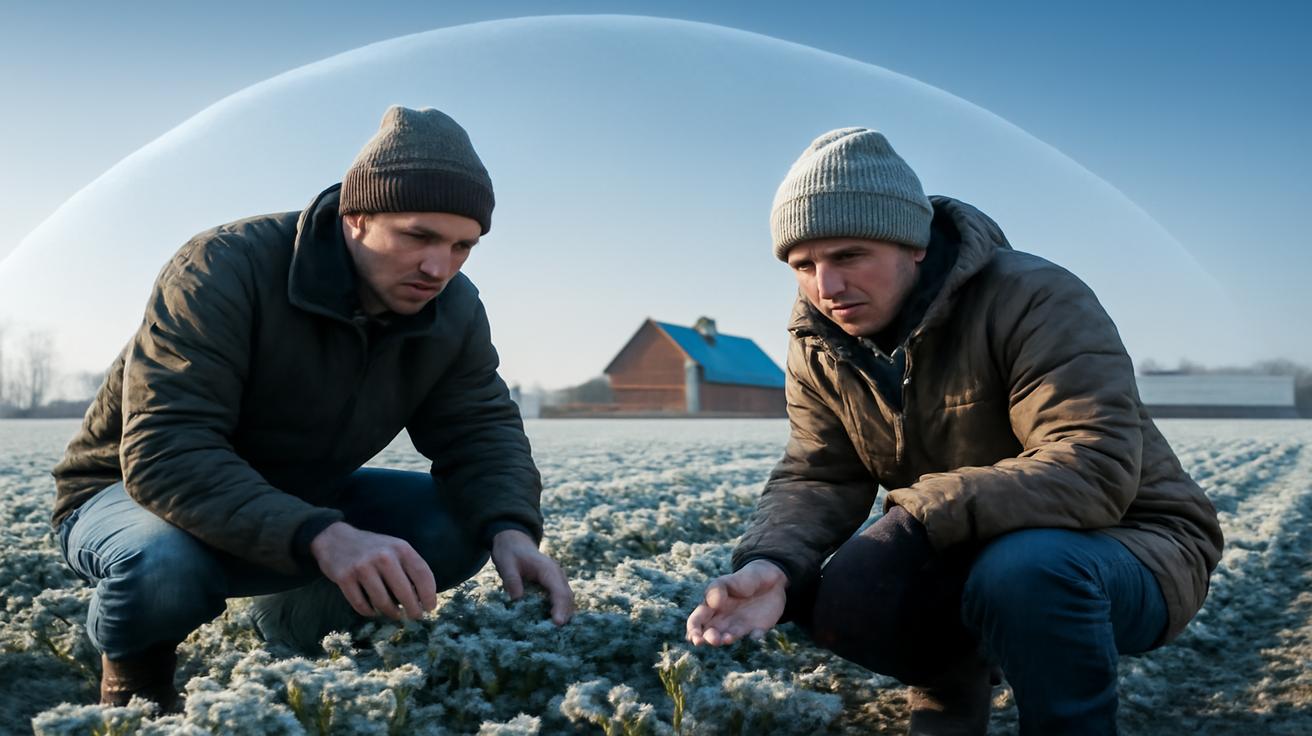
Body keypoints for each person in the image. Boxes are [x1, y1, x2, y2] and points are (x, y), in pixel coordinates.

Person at [685, 128, 1223, 735]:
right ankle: (951, 688)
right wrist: (773, 562)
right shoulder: (820, 345)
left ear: (913, 245)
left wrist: (914, 520)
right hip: (968, 545)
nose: (827, 288)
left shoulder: (1034, 298)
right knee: (827, 595)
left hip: (1130, 545)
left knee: (1023, 571)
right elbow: (821, 472)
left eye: (849, 256)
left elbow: (1092, 466)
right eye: (804, 265)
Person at [51, 106, 574, 710]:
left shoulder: (452, 308)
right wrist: (323, 533)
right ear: (356, 218)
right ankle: (135, 688)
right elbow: (165, 454)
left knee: (462, 524)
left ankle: (292, 633)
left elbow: (480, 428)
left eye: (463, 246)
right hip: (128, 495)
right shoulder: (224, 266)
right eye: (418, 236)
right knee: (165, 563)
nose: (440, 268)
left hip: (300, 495)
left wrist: (512, 529)